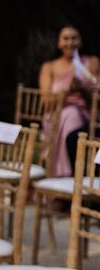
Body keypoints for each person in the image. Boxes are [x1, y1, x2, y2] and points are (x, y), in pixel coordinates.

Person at [39, 24, 100, 176]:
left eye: (74, 38)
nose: (70, 43)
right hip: (56, 114)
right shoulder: (49, 67)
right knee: (69, 114)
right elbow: (46, 103)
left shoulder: (91, 62)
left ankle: (70, 174)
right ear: (59, 42)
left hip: (87, 114)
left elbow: (96, 101)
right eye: (65, 39)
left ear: (80, 42)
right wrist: (69, 91)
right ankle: (66, 174)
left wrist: (82, 90)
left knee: (73, 115)